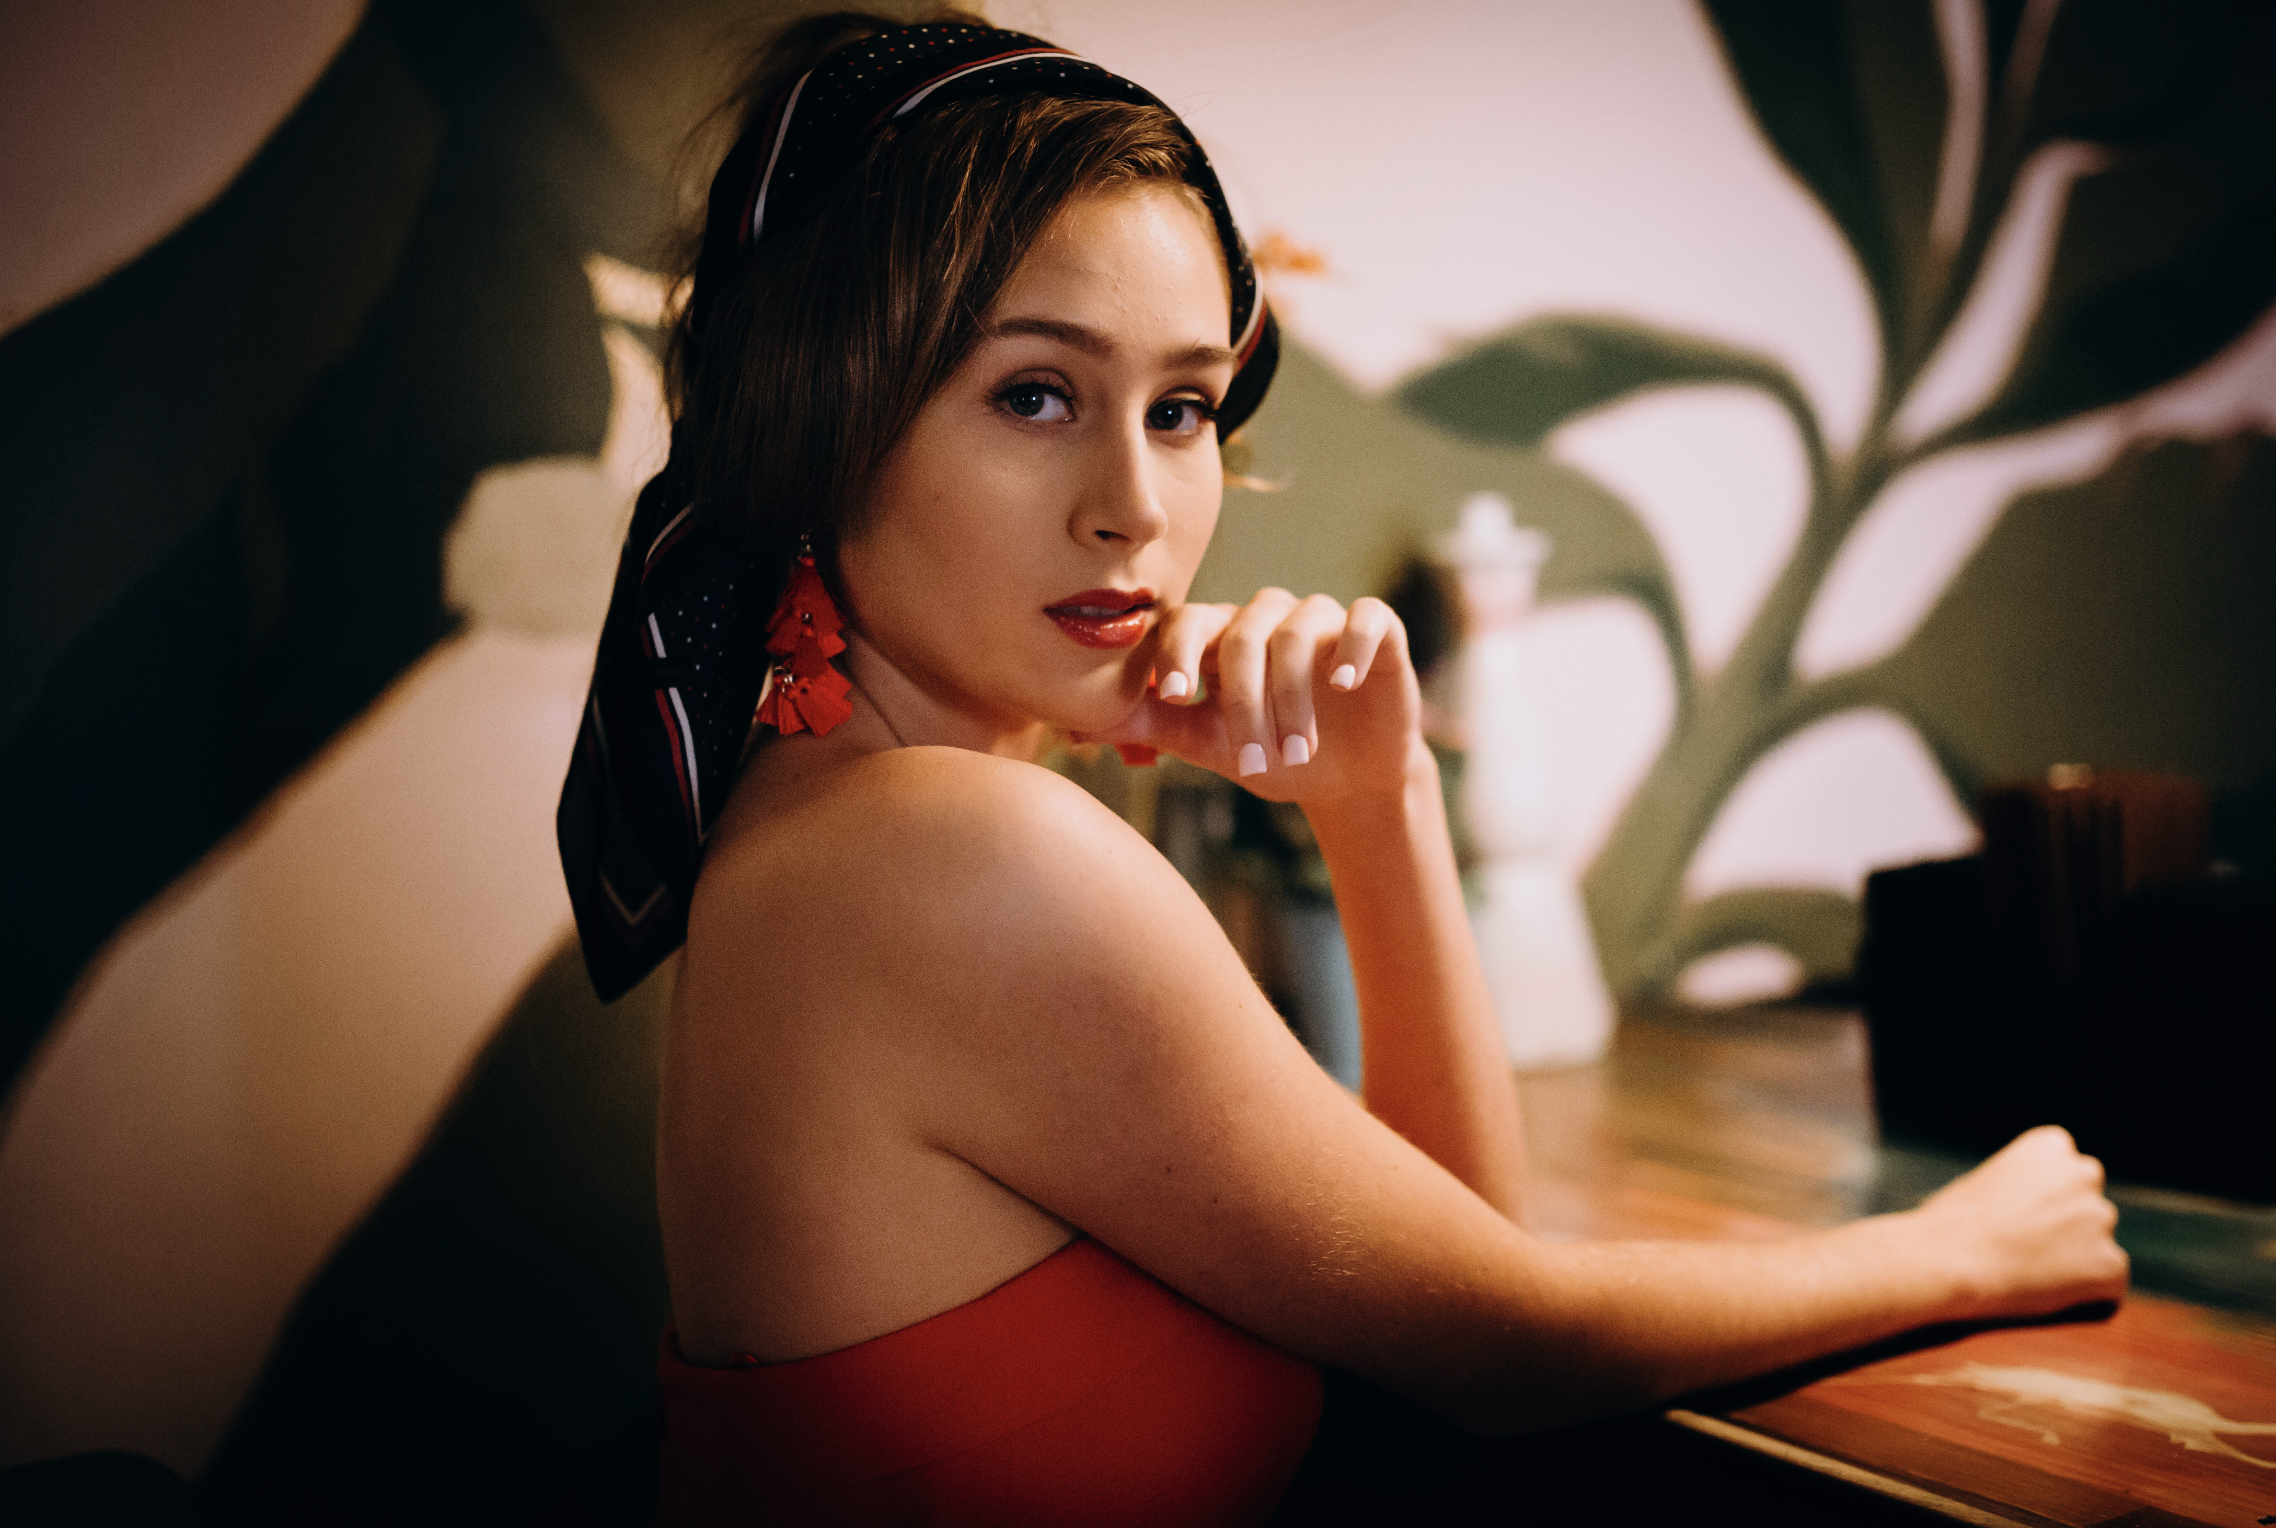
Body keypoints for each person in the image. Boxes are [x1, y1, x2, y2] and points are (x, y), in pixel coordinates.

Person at [557, 14, 2127, 1525]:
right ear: (829, 418)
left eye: (1181, 407)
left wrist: (1380, 801)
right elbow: (1515, 1352)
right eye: (1035, 393)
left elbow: (1458, 1268)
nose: (1135, 506)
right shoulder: (957, 852)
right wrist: (1963, 1251)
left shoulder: (822, 820)